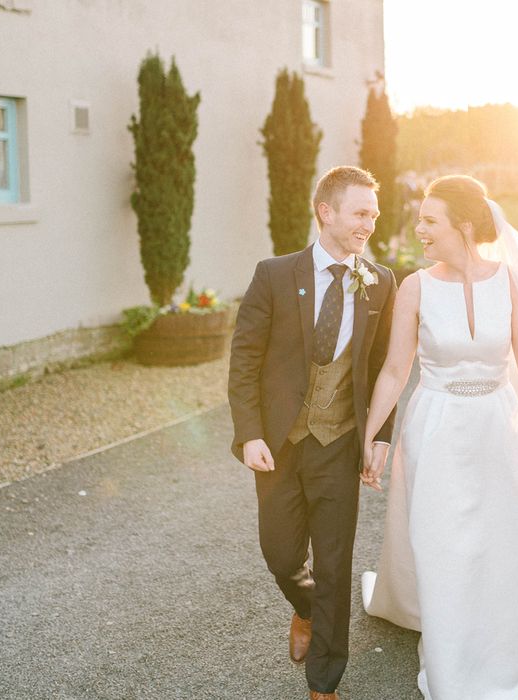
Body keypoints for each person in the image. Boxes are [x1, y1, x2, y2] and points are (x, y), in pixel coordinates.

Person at [360, 175, 518, 699]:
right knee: (441, 534)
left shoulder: (508, 281)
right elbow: (394, 369)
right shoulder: (414, 286)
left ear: (462, 225)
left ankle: (491, 618)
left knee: (496, 529)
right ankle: (445, 642)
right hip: (435, 423)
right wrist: (370, 437)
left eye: (429, 221)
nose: (420, 230)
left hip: (496, 423)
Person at [228, 166, 397, 700]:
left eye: (374, 213)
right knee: (280, 556)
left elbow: (382, 368)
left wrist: (379, 437)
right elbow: (245, 360)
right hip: (279, 445)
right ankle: (306, 610)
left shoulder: (381, 281)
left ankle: (325, 682)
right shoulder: (275, 274)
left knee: (334, 562)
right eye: (360, 212)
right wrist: (250, 432)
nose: (369, 223)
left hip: (340, 446)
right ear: (326, 212)